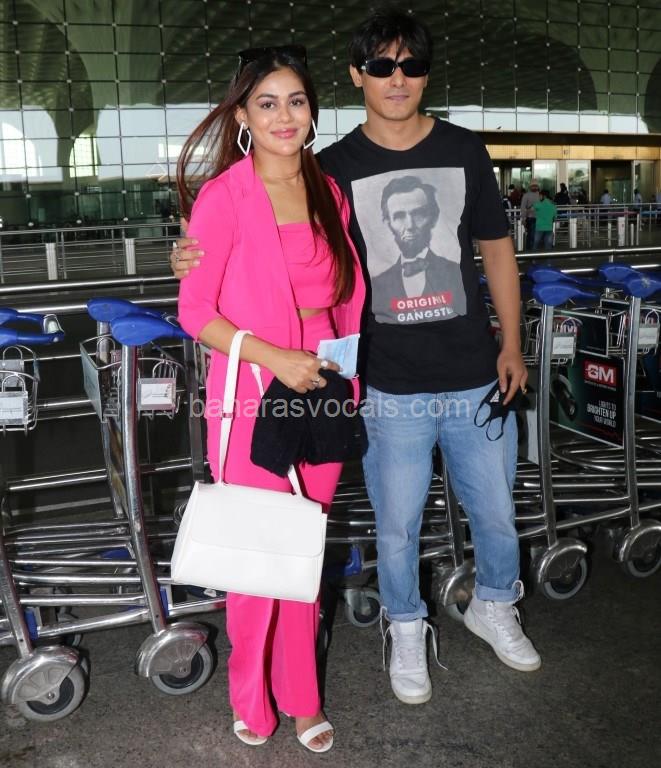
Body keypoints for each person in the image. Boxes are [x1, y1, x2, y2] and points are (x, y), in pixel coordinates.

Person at [173, 9, 540, 708]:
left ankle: (496, 604)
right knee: (394, 526)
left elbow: (496, 249)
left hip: (468, 372)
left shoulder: (453, 152)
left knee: (495, 512)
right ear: (356, 75)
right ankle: (404, 628)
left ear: (425, 74)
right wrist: (190, 257)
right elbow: (251, 250)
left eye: (410, 65)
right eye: (380, 66)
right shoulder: (332, 168)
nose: (397, 79)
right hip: (382, 384)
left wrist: (512, 343)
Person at [176, 46, 365, 751]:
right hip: (255, 388)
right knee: (256, 554)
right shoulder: (223, 197)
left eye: (295, 101)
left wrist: (343, 377)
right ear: (243, 117)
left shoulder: (327, 189)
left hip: (321, 386)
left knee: (301, 551)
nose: (283, 116)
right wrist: (274, 357)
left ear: (311, 110)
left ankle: (302, 697)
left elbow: (342, 296)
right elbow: (195, 312)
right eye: (266, 103)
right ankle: (250, 699)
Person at [372, 175, 465, 321]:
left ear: (433, 218)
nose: (410, 225)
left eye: (418, 214)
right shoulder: (377, 284)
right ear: (388, 223)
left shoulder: (457, 273)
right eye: (399, 216)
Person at [520, 180, 540, 250]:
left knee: (533, 236)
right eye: (533, 186)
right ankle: (531, 251)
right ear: (530, 187)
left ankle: (531, 251)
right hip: (531, 218)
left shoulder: (540, 195)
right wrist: (523, 219)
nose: (535, 187)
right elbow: (523, 208)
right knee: (532, 236)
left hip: (538, 219)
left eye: (536, 186)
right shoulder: (526, 195)